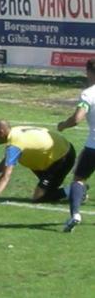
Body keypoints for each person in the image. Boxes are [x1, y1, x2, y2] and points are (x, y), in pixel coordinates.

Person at [0, 119, 76, 207]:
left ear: (1, 132)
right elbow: (8, 159)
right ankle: (76, 191)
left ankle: (76, 190)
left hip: (62, 157)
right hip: (54, 154)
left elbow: (6, 175)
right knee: (48, 191)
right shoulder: (14, 131)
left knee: (38, 197)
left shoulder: (15, 145)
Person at [57, 57, 95, 232]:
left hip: (93, 146)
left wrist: (63, 125)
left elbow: (77, 119)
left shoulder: (88, 94)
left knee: (79, 179)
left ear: (88, 72)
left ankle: (75, 215)